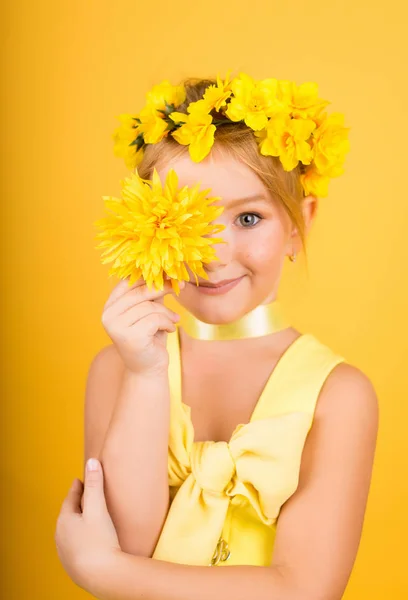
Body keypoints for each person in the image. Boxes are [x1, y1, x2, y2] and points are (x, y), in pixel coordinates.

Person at [55, 75, 379, 600]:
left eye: (248, 218)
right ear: (147, 222)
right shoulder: (117, 369)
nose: (213, 253)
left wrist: (99, 571)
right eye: (191, 220)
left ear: (300, 223)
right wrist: (145, 375)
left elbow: (305, 590)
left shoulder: (339, 395)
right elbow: (129, 541)